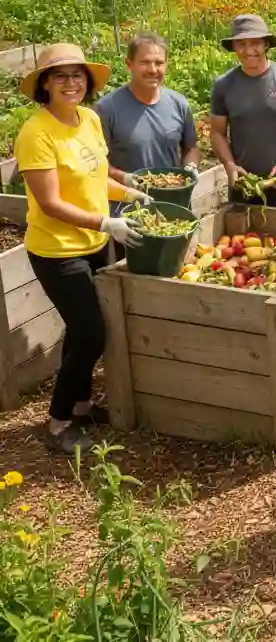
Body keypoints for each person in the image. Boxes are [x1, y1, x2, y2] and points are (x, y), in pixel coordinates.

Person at [13, 44, 153, 455]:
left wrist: (129, 191)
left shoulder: (89, 120)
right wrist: (107, 222)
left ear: (87, 82)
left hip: (95, 243)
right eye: (60, 76)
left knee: (84, 329)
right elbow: (51, 203)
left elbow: (94, 177)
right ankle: (58, 423)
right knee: (91, 333)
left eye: (77, 76)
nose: (71, 83)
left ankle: (80, 405)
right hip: (57, 251)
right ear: (45, 85)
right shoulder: (36, 134)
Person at [210, 15, 276, 211]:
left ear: (266, 44)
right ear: (233, 47)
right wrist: (229, 165)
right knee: (238, 241)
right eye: (241, 44)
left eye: (255, 43)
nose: (249, 50)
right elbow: (217, 132)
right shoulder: (224, 85)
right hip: (242, 185)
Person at [96, 30, 200, 191]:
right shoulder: (107, 109)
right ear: (129, 64)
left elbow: (190, 147)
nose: (152, 69)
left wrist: (191, 166)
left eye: (159, 63)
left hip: (173, 198)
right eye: (144, 62)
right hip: (128, 204)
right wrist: (124, 178)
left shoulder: (179, 104)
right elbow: (98, 162)